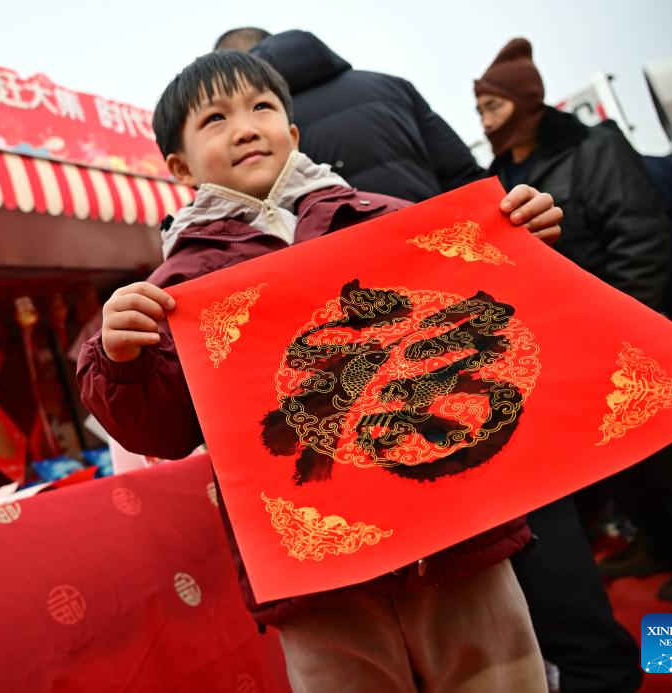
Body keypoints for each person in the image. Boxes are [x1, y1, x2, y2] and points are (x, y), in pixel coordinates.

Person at [79, 49, 563, 690]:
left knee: (496, 671)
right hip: (318, 565)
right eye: (215, 119)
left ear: (294, 130)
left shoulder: (384, 218)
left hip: (448, 522)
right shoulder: (177, 286)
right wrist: (120, 360)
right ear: (178, 166)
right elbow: (163, 432)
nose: (246, 127)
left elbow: (487, 322)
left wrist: (518, 243)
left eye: (262, 108)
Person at [477, 38, 672, 607]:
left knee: (664, 445)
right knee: (610, 454)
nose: (485, 120)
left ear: (524, 100)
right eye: (480, 110)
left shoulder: (591, 147)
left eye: (493, 106)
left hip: (617, 321)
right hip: (563, 336)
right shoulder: (503, 171)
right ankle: (662, 544)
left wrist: (628, 319)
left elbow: (638, 230)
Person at [215, 29, 486, 202]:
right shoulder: (391, 85)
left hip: (352, 278)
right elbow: (463, 174)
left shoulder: (271, 124)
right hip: (441, 246)